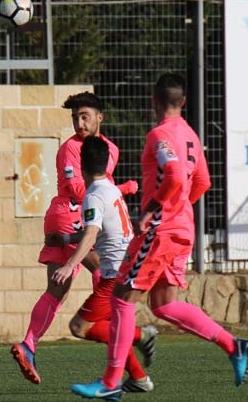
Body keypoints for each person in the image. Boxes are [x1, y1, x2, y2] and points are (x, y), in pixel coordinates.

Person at [70, 73, 248, 401]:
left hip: (161, 229)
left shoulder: (160, 135)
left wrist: (155, 209)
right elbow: (202, 183)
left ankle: (111, 381)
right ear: (183, 102)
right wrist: (179, 209)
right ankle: (234, 345)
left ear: (154, 101)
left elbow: (174, 174)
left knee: (122, 299)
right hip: (183, 228)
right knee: (164, 305)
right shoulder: (192, 136)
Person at [12, 91, 138, 385]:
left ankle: (28, 346)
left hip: (79, 220)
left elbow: (98, 196)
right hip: (69, 215)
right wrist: (123, 190)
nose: (79, 123)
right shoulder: (71, 149)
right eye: (74, 118)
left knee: (59, 292)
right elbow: (82, 191)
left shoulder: (110, 149)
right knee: (108, 282)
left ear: (99, 118)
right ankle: (128, 355)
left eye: (84, 117)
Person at [52, 136, 158, 394]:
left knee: (80, 327)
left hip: (114, 275)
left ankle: (142, 335)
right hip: (125, 269)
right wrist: (66, 238)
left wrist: (68, 266)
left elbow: (90, 234)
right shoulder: (110, 189)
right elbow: (98, 230)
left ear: (81, 168)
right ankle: (139, 378)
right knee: (112, 325)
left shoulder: (93, 196)